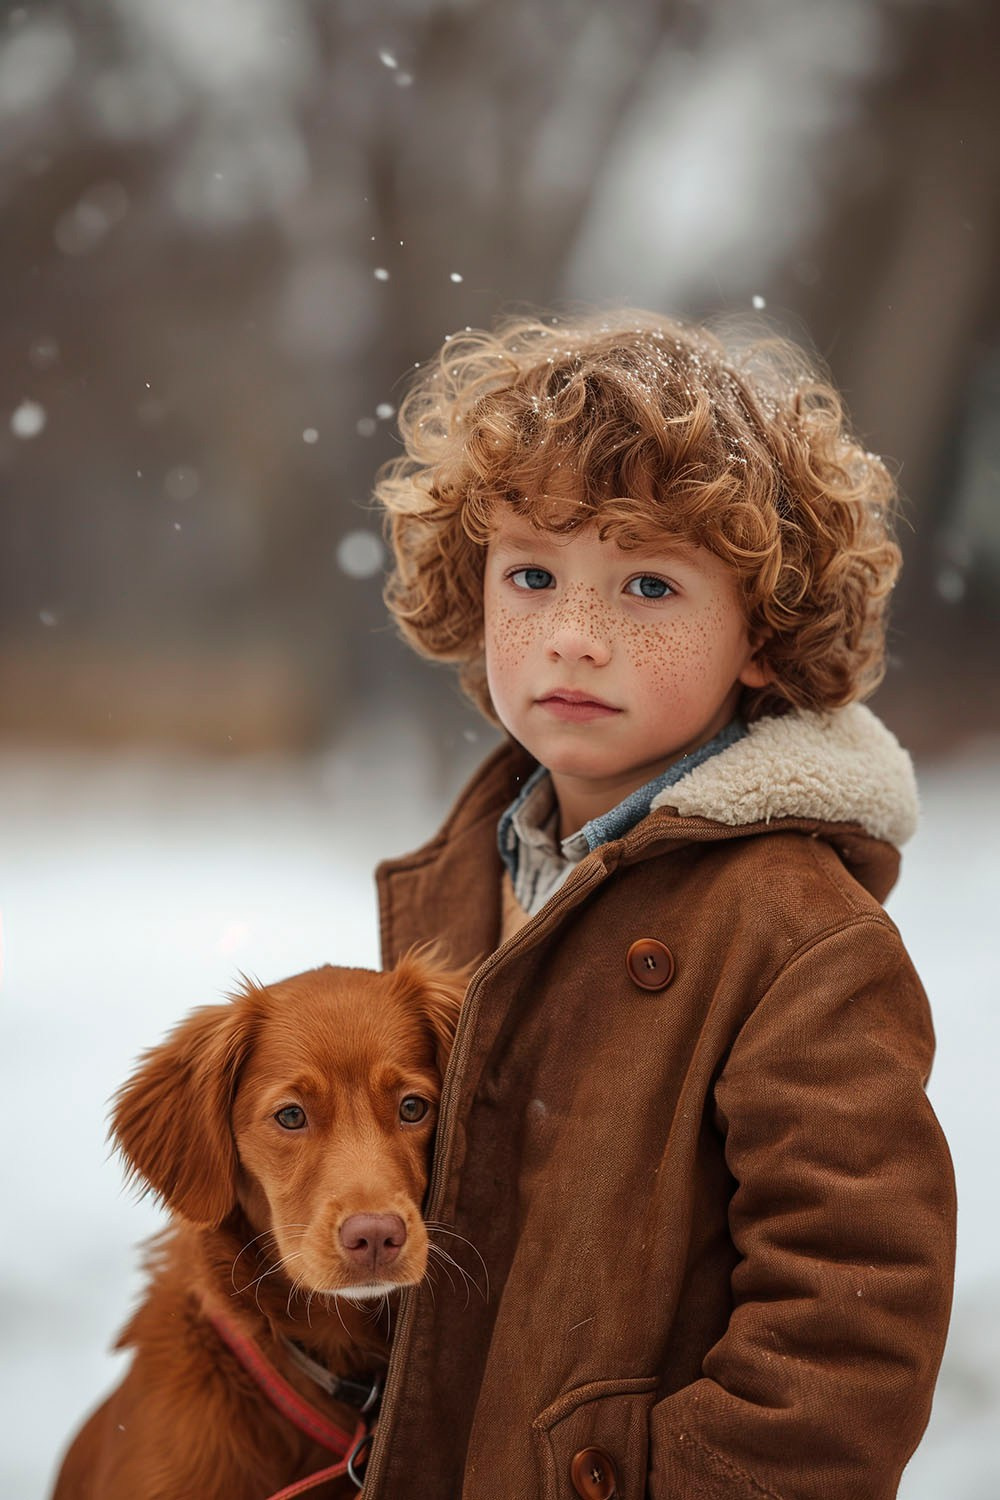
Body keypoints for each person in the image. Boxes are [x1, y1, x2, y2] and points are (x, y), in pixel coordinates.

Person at [364, 310, 956, 1500]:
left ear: (759, 635)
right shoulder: (461, 883)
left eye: (646, 585)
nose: (574, 639)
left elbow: (852, 1314)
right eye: (532, 574)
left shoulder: (798, 934)